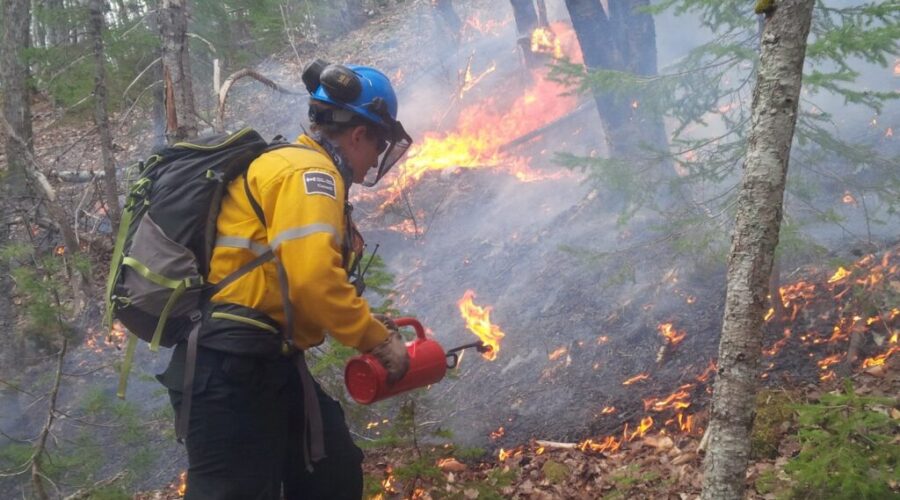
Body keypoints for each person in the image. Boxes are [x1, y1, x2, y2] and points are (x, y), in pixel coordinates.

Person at [156, 60, 414, 499]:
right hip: (230, 369)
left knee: (331, 472)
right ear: (358, 135)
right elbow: (313, 279)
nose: (374, 160)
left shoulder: (294, 167)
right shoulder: (309, 175)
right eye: (379, 145)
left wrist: (361, 320)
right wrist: (374, 338)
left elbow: (302, 277)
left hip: (268, 361)